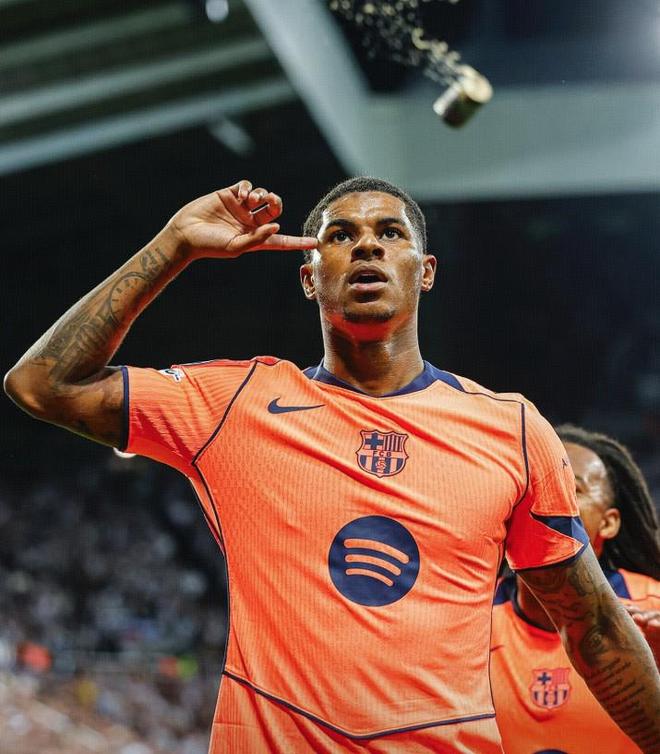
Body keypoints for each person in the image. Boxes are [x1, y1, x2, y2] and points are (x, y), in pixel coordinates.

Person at [5, 177, 660, 753]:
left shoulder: (511, 428)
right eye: (340, 236)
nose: (367, 245)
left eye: (390, 233)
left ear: (425, 271)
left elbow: (595, 628)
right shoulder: (233, 404)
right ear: (309, 276)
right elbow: (41, 384)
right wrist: (175, 244)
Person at [491, 424, 660, 754]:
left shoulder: (654, 608)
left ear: (609, 522)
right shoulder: (468, 615)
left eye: (571, 487)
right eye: (530, 484)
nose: (542, 498)